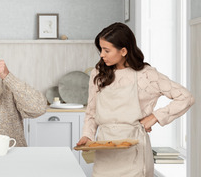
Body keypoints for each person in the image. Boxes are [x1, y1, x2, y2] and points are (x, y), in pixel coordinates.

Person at [77, 22, 194, 177]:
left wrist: (155, 117)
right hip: (105, 152)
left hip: (135, 154)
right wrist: (87, 135)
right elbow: (91, 113)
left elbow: (186, 97)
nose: (101, 55)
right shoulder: (98, 74)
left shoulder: (146, 75)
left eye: (106, 50)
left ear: (123, 51)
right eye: (101, 49)